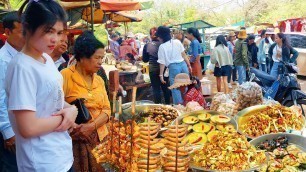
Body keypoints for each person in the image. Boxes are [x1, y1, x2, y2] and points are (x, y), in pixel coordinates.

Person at [5, 0, 78, 171]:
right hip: (42, 162)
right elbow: (28, 127)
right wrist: (65, 117)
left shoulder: (46, 59)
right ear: (28, 28)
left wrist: (71, 109)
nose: (56, 39)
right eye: (48, 31)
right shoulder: (22, 67)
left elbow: (51, 98)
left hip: (60, 154)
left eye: (60, 32)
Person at [61, 31, 110, 172]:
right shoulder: (65, 76)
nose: (100, 62)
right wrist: (77, 127)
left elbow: (107, 109)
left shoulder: (99, 79)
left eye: (102, 58)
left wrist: (92, 126)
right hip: (77, 141)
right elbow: (55, 107)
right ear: (82, 57)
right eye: (97, 58)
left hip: (101, 137)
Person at [0, 12, 24, 172]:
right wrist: (8, 132)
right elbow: (1, 98)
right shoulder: (3, 60)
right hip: (12, 131)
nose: (26, 36)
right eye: (22, 32)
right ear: (7, 32)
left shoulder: (27, 55)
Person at [156, 26, 192, 105]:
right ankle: (188, 104)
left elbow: (162, 63)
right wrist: (189, 66)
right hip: (183, 66)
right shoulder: (177, 42)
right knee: (185, 86)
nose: (158, 38)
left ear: (161, 36)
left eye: (158, 36)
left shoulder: (162, 47)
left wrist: (161, 75)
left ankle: (179, 107)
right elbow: (184, 54)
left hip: (173, 67)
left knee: (175, 88)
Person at [142, 27, 170, 104]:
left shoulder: (147, 45)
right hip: (164, 69)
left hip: (153, 69)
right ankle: (168, 105)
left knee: (156, 89)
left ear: (150, 35)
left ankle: (158, 106)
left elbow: (145, 60)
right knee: (165, 88)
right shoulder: (164, 44)